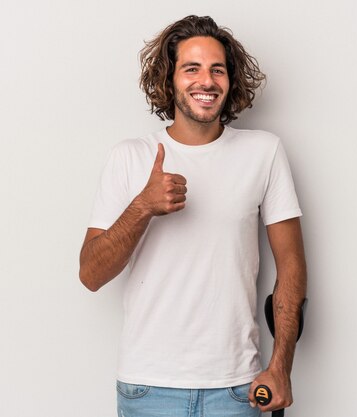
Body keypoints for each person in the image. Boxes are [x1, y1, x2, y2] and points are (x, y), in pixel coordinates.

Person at [79, 15, 307, 417]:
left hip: (237, 387)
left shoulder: (264, 152)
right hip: (148, 388)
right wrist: (143, 206)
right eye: (192, 68)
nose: (206, 81)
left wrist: (281, 367)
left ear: (230, 80)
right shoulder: (129, 157)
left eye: (217, 69)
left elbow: (291, 265)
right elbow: (91, 275)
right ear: (169, 80)